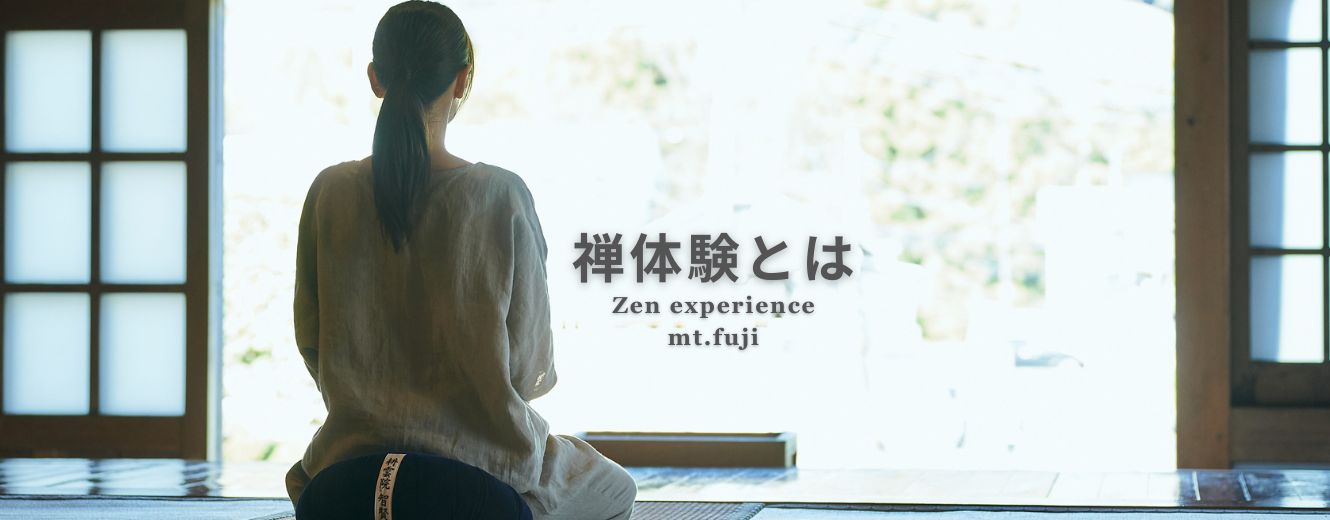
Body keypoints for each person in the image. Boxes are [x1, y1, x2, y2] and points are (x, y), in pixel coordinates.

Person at [283, 2, 637, 518]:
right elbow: (528, 367)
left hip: (344, 474)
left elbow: (313, 344)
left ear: (375, 78)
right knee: (616, 489)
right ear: (462, 79)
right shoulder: (501, 194)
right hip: (480, 473)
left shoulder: (330, 190)